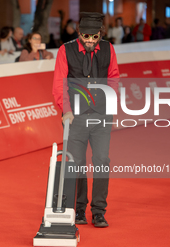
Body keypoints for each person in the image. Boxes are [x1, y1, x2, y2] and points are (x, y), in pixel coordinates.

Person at [52, 12, 119, 228]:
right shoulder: (66, 50)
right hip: (76, 117)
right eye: (86, 36)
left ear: (101, 34)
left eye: (94, 37)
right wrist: (66, 110)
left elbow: (114, 77)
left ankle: (99, 211)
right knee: (77, 163)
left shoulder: (108, 49)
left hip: (100, 116)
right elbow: (59, 82)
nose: (90, 41)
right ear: (79, 33)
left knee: (101, 161)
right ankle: (78, 208)